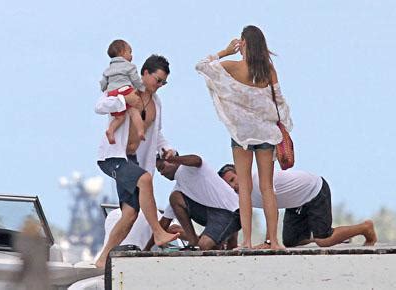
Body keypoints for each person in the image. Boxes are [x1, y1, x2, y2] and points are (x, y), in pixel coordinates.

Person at [196, 25, 293, 250]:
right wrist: (283, 126)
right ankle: (274, 241)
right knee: (268, 188)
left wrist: (225, 51)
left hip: (241, 135)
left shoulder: (232, 66)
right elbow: (279, 101)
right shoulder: (268, 70)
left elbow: (201, 66)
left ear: (244, 43)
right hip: (267, 134)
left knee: (245, 188)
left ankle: (247, 242)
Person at [94, 54, 179, 268]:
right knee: (145, 179)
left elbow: (157, 133)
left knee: (130, 214)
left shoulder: (156, 103)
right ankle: (159, 233)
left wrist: (167, 148)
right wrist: (124, 100)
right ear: (145, 73)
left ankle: (103, 258)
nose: (159, 86)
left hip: (131, 159)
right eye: (157, 80)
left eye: (163, 82)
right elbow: (100, 105)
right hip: (113, 156)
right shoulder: (128, 89)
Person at [218, 164, 378, 248]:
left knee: (324, 241)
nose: (233, 186)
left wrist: (268, 241)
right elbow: (238, 217)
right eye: (228, 185)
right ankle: (338, 236)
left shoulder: (258, 180)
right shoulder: (240, 195)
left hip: (314, 190)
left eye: (233, 180)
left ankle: (365, 228)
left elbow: (270, 208)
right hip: (296, 203)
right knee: (291, 241)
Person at [155, 153, 240, 250]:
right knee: (175, 198)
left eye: (162, 167)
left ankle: (219, 243)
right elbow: (164, 223)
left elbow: (197, 160)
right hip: (213, 215)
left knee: (204, 246)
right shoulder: (179, 189)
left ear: (173, 162)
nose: (161, 173)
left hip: (231, 213)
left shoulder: (189, 168)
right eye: (159, 171)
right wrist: (147, 248)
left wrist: (173, 158)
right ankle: (193, 242)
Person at [100, 39, 146, 144]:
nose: (131, 55)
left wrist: (105, 90)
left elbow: (103, 83)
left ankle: (110, 131)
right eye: (130, 52)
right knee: (134, 112)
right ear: (122, 53)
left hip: (112, 93)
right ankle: (140, 131)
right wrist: (142, 88)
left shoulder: (108, 69)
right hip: (125, 89)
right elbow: (135, 80)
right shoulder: (130, 66)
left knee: (119, 117)